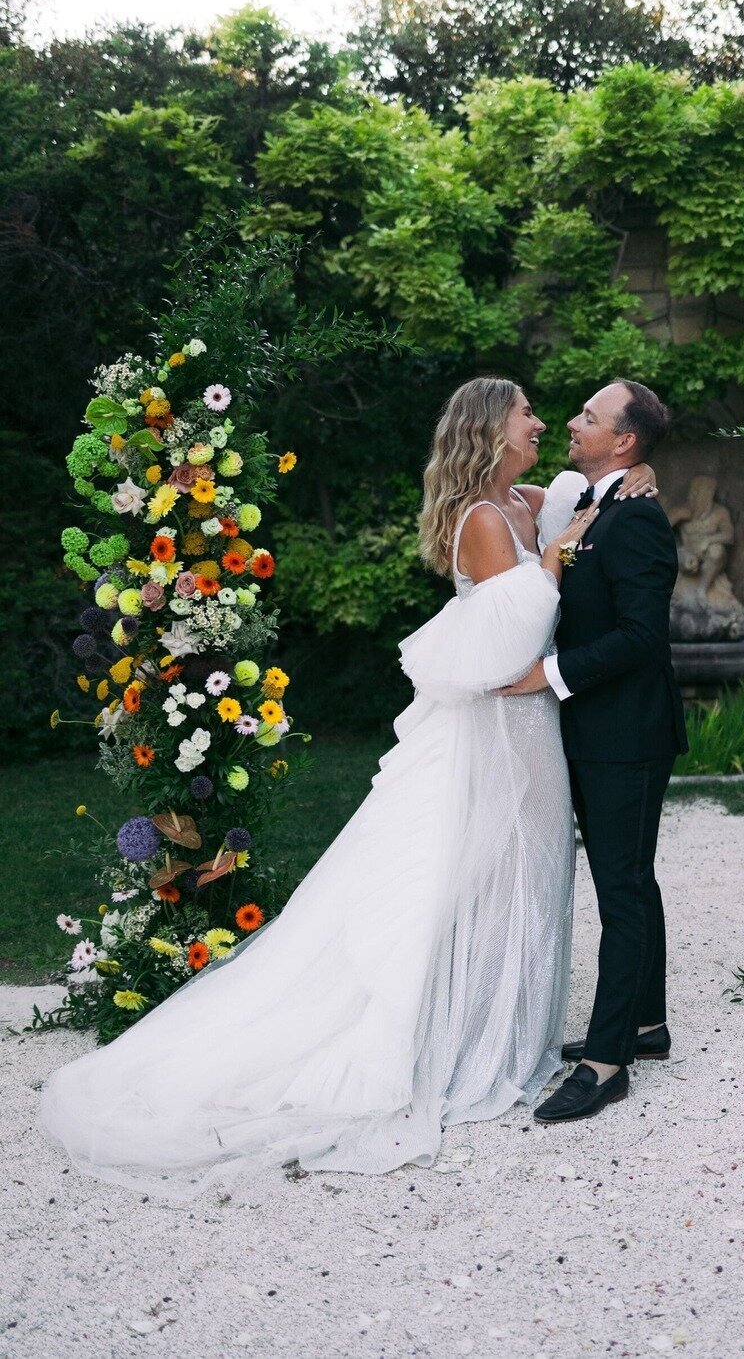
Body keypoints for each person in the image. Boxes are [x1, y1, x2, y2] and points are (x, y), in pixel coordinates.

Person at [37, 377, 653, 1196]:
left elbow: (586, 494)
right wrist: (552, 555)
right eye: (527, 415)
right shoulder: (480, 519)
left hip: (531, 729)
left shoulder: (526, 499)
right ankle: (451, 1039)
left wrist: (634, 480)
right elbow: (514, 627)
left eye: (553, 417)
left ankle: (505, 1026)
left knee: (522, 876)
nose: (543, 423)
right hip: (496, 725)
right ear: (491, 430)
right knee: (462, 878)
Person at [502, 381, 687, 1123]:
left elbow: (644, 637)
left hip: (626, 735)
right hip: (599, 730)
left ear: (624, 442)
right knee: (630, 877)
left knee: (621, 885)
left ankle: (607, 1061)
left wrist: (546, 675)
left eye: (588, 417)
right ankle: (646, 1024)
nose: (573, 422)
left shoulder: (637, 519)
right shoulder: (595, 501)